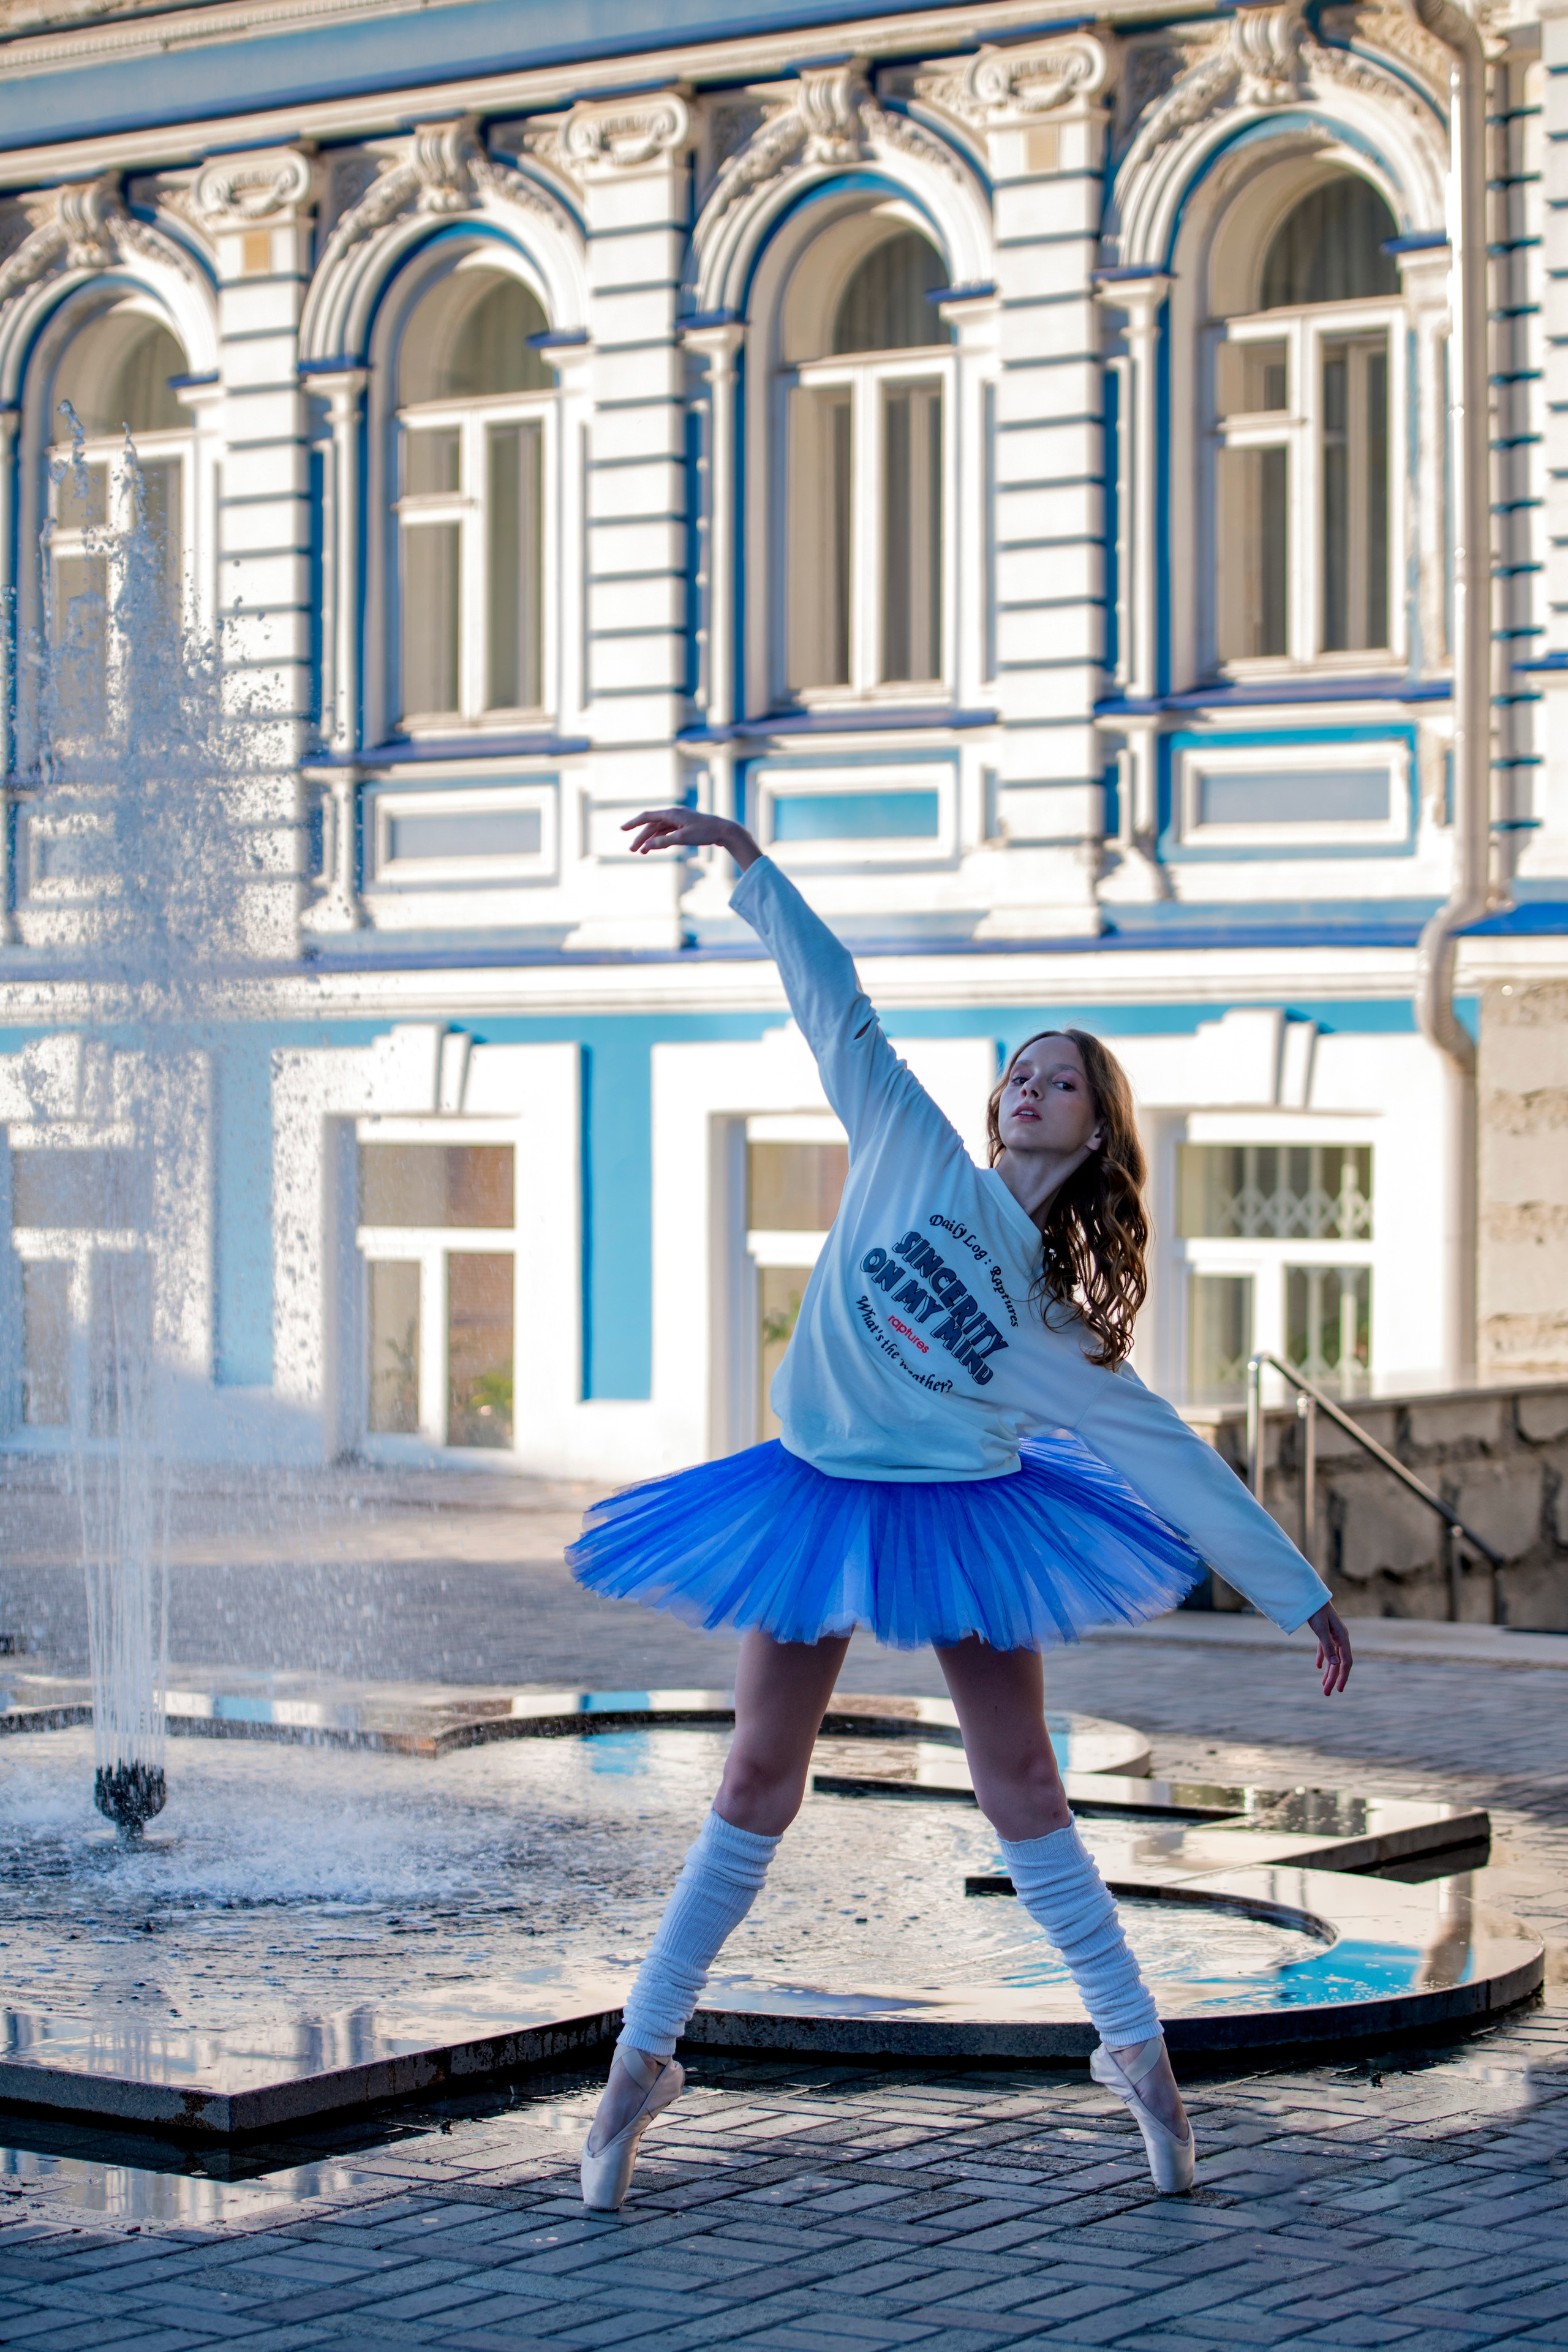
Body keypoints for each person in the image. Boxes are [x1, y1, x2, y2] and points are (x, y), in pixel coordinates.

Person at [568, 808, 1352, 2212]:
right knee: (757, 1780)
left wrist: (1295, 1591)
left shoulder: (1059, 1327)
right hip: (811, 1496)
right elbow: (838, 1012)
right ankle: (640, 2059)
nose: (1023, 1086)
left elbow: (1168, 1455)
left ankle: (1138, 2059)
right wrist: (750, 867)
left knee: (1024, 1790)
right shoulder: (911, 1148)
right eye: (1015, 1070)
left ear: (1097, 1125)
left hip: (967, 1519)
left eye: (1055, 1080)